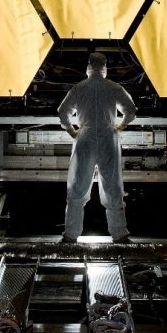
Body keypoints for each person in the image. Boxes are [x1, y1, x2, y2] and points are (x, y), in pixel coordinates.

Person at [58, 52, 137, 244]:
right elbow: (131, 110)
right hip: (108, 137)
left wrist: (72, 131)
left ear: (88, 67)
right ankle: (120, 234)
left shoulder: (79, 88)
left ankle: (70, 235)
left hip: (84, 137)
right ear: (104, 67)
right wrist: (120, 126)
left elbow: (63, 112)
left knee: (78, 186)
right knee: (112, 186)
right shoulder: (113, 87)